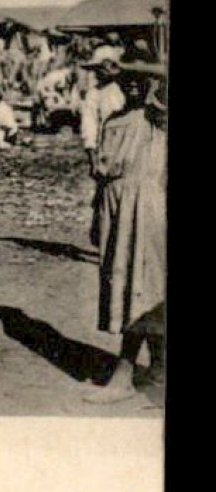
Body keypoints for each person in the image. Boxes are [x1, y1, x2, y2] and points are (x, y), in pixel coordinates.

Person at [84, 62, 167, 404]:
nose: (133, 86)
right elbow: (102, 175)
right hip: (113, 206)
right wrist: (94, 213)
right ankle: (160, 369)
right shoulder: (113, 119)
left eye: (139, 80)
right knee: (124, 283)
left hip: (145, 207)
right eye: (126, 80)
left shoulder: (156, 118)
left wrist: (146, 73)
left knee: (141, 284)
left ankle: (124, 375)